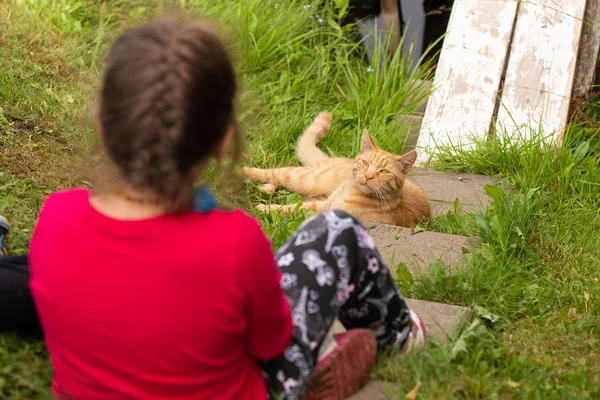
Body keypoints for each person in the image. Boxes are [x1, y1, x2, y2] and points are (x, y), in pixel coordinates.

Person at [0, 16, 426, 400]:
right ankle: (399, 335)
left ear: (99, 119)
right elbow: (270, 343)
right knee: (335, 230)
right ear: (224, 138)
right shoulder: (236, 240)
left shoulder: (56, 217)